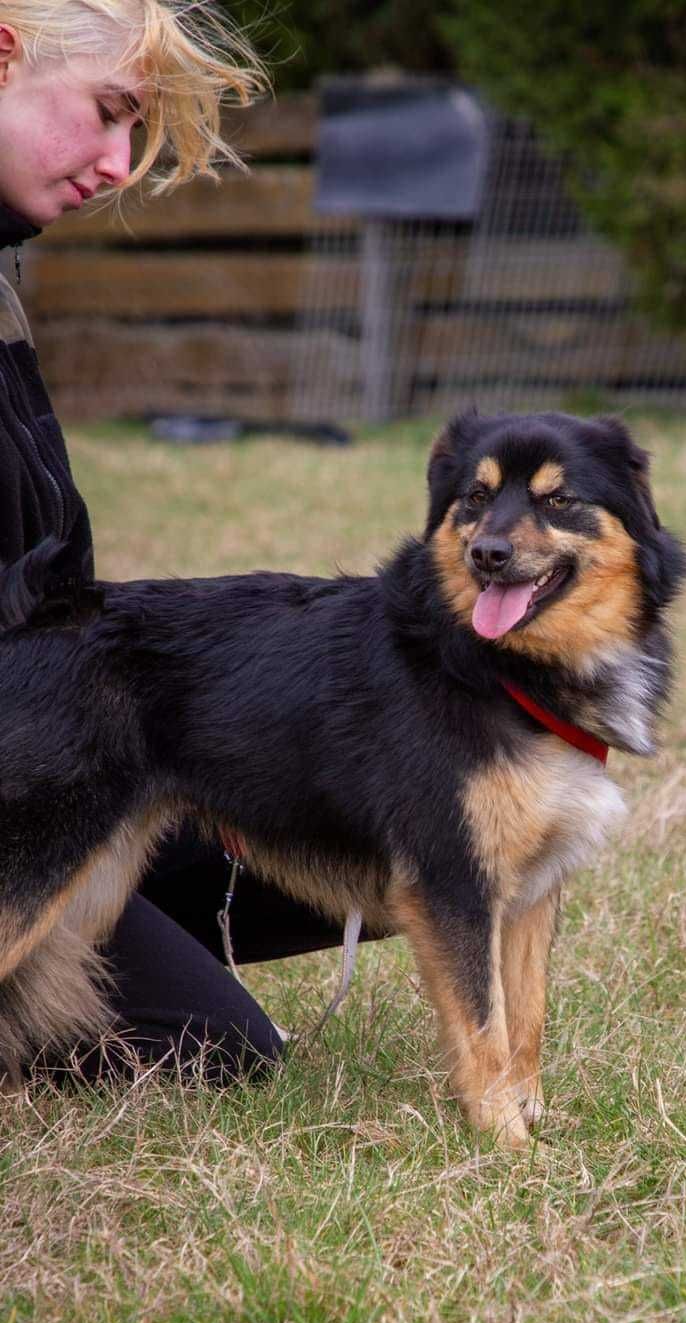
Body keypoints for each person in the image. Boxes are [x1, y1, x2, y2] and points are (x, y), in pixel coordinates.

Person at [0, 0, 348, 1081]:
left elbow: (52, 599)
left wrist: (206, 725)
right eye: (108, 114)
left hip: (47, 740)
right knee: (216, 1052)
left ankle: (109, 917)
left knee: (361, 817)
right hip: (23, 764)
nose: (115, 164)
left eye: (134, 135)